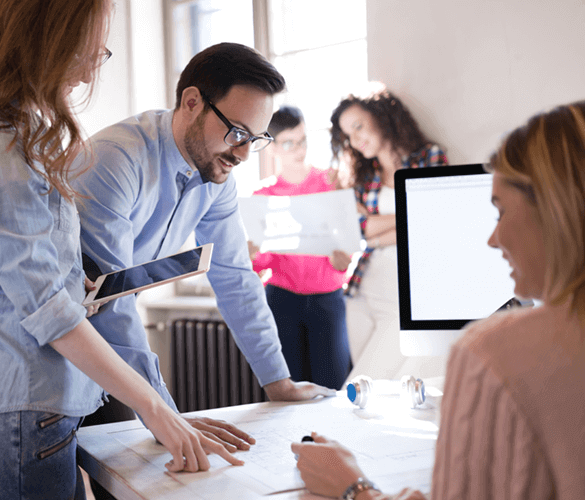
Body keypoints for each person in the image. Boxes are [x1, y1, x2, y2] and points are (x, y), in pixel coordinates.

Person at [0, 2, 244, 499]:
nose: (91, 69)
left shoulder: (15, 137)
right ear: (47, 41)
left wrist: (76, 289)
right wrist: (155, 408)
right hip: (17, 411)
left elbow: (33, 290)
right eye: (89, 51)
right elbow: (47, 312)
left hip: (29, 412)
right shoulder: (2, 144)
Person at [291, 100, 585, 499]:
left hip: (407, 286)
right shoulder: (362, 174)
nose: (491, 239)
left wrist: (353, 488)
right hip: (365, 285)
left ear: (556, 210)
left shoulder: (492, 355)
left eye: (499, 211)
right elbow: (362, 229)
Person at [72, 42, 329, 417]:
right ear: (192, 102)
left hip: (106, 341)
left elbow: (235, 277)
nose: (242, 155)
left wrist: (279, 383)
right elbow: (111, 299)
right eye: (237, 133)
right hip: (56, 348)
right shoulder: (116, 160)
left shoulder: (216, 177)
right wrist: (165, 413)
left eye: (254, 140)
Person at [329, 86, 448, 382]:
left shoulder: (429, 158)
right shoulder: (361, 176)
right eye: (348, 134)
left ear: (382, 116)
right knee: (370, 395)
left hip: (405, 292)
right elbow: (359, 228)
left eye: (358, 126)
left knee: (365, 384)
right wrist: (411, 216)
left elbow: (433, 223)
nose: (355, 140)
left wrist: (374, 234)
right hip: (360, 291)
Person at [248, 105, 352, 390]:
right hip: (283, 299)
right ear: (273, 148)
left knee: (331, 386)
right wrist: (252, 254)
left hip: (327, 299)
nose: (299, 149)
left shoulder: (331, 182)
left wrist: (344, 257)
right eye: (289, 143)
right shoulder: (263, 195)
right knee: (287, 386)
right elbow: (259, 264)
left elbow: (346, 250)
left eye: (303, 140)